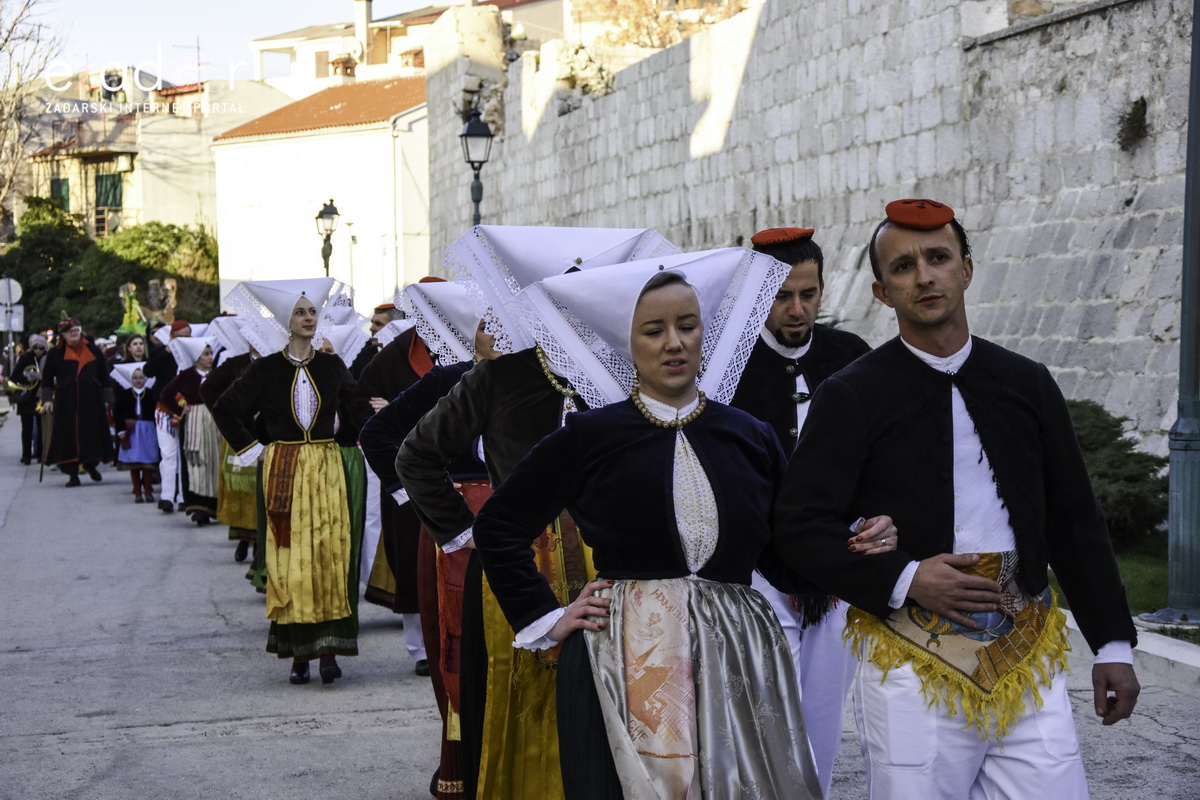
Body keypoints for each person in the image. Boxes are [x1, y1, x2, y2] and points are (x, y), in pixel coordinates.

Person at [773, 199, 1140, 799]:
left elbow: (1075, 519)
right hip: (908, 661)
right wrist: (906, 577)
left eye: (938, 258)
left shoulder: (1026, 382)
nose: (924, 275)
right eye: (903, 267)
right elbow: (799, 524)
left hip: (1024, 649)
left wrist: (1113, 644)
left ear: (966, 269)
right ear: (881, 291)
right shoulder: (852, 395)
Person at [473, 263, 823, 799]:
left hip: (738, 653)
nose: (674, 343)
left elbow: (780, 556)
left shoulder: (749, 436)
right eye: (654, 331)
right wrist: (548, 615)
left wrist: (851, 545)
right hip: (627, 658)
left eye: (687, 326)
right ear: (626, 341)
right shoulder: (591, 436)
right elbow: (499, 524)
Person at [397, 225, 679, 800]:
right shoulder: (499, 377)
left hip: (613, 558)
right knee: (525, 696)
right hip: (522, 563)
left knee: (622, 695)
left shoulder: (625, 375)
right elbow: (416, 455)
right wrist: (465, 533)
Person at [733, 226, 875, 796]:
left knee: (822, 712)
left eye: (809, 294)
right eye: (782, 296)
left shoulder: (853, 359)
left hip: (837, 566)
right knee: (764, 711)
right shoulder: (728, 367)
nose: (797, 310)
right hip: (757, 569)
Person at [360, 279, 493, 800]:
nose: (497, 336)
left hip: (521, 531)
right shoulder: (450, 379)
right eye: (487, 326)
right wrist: (413, 497)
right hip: (451, 532)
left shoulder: (542, 383)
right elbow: (378, 433)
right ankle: (460, 763)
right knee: (457, 651)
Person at [212, 278, 368, 685]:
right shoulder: (264, 369)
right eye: (300, 312)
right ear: (286, 319)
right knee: (291, 561)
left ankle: (329, 651)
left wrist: (357, 439)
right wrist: (256, 449)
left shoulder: (332, 365)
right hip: (284, 468)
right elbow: (226, 408)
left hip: (327, 468)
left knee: (329, 557)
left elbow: (357, 412)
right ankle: (300, 651)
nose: (308, 318)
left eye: (312, 311)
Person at [40, 318, 113, 486]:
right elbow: (47, 379)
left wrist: (107, 400)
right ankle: (72, 474)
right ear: (63, 335)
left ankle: (91, 465)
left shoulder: (93, 350)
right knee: (67, 436)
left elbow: (104, 377)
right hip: (66, 402)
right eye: (70, 332)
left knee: (92, 434)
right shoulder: (55, 354)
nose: (74, 334)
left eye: (77, 331)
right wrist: (47, 400)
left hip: (91, 400)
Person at [158, 338, 221, 525]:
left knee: (214, 461)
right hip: (194, 422)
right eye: (206, 354)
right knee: (195, 462)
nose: (210, 358)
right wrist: (180, 409)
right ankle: (198, 507)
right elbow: (165, 395)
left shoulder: (217, 374)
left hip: (214, 422)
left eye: (210, 354)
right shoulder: (185, 376)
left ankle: (215, 505)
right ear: (197, 358)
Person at [146, 319, 192, 512]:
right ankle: (166, 496)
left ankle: (183, 496)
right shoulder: (162, 354)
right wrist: (166, 352)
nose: (186, 341)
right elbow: (148, 370)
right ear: (172, 337)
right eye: (182, 337)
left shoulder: (194, 355)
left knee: (185, 456)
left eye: (188, 337)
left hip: (187, 412)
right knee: (168, 454)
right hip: (165, 411)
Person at [112, 362, 161, 503]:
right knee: (134, 463)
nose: (138, 381)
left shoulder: (151, 394)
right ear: (130, 380)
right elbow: (117, 413)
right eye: (135, 378)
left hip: (148, 430)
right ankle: (138, 493)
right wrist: (120, 430)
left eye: (141, 378)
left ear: (145, 379)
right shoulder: (125, 394)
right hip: (131, 430)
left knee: (148, 463)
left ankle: (148, 491)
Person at [11, 334, 47, 465]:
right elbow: (14, 376)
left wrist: (44, 377)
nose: (38, 350)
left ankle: (40, 454)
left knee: (42, 426)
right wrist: (27, 378)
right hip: (26, 396)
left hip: (41, 396)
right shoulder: (25, 358)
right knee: (26, 427)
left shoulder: (47, 359)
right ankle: (26, 455)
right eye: (35, 348)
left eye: (41, 348)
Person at [349, 302, 405, 378]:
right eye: (372, 323)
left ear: (394, 328)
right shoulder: (361, 355)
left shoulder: (406, 356)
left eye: (378, 324)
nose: (371, 328)